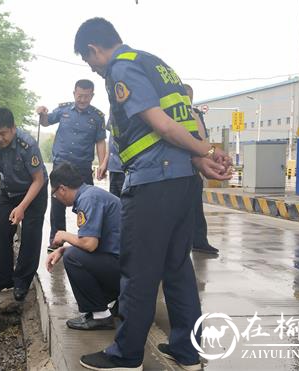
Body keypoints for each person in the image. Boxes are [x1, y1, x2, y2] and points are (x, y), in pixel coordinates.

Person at [73, 18, 232, 370]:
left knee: (139, 270)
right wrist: (200, 156)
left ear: (94, 50)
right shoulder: (158, 65)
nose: (95, 69)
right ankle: (188, 352)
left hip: (152, 183)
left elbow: (161, 124)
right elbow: (183, 120)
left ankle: (126, 354)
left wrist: (204, 152)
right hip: (181, 181)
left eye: (90, 61)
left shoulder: (122, 68)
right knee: (177, 268)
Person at [0, 108, 49, 302]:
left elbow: (38, 180)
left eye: (3, 133)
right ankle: (3, 279)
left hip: (34, 191)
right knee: (1, 229)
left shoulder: (28, 145)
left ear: (13, 128)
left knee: (30, 235)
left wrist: (22, 207)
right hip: (9, 189)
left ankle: (22, 282)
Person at [45, 162, 123, 331]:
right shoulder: (91, 195)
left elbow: (89, 244)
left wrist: (64, 236)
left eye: (54, 194)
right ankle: (120, 301)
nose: (56, 198)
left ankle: (101, 315)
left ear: (62, 189)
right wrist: (63, 248)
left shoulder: (88, 199)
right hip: (130, 265)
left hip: (128, 270)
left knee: (73, 258)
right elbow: (95, 243)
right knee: (71, 253)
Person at [36, 79, 107, 244]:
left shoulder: (97, 117)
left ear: (92, 95)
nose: (83, 100)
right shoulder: (63, 109)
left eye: (87, 97)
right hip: (61, 164)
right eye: (80, 96)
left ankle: (88, 238)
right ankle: (56, 240)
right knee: (58, 203)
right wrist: (42, 113)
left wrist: (103, 163)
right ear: (74, 93)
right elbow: (46, 122)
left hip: (82, 166)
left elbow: (101, 141)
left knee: (88, 202)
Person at [183, 83, 219, 255]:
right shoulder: (173, 114)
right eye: (185, 96)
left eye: (190, 97)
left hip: (195, 168)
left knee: (197, 206)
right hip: (180, 165)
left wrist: (210, 154)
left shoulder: (196, 114)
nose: (188, 100)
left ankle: (199, 241)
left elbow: (202, 138)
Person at [97, 114, 125, 198]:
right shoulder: (114, 108)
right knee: (115, 204)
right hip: (113, 168)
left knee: (127, 205)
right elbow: (111, 139)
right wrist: (105, 163)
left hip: (126, 169)